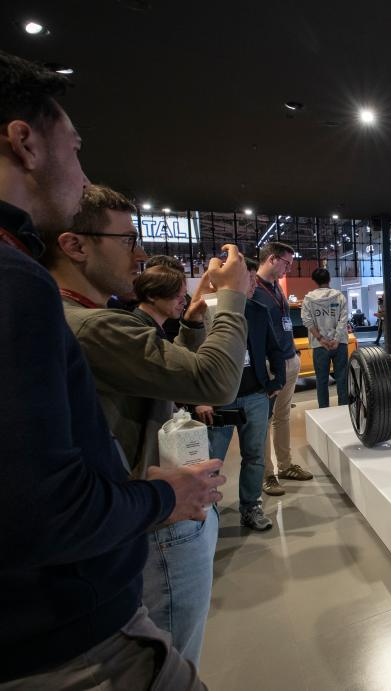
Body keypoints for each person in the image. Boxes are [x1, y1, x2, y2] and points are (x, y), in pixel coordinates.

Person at [0, 49, 221, 689]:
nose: (80, 174)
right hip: (69, 634)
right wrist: (163, 495)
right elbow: (41, 508)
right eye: (74, 150)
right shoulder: (23, 286)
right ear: (25, 143)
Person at [45, 183, 250, 669]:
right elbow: (216, 380)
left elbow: (171, 379)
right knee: (171, 660)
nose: (139, 255)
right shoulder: (93, 326)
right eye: (126, 240)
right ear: (75, 245)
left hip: (145, 514)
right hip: (157, 523)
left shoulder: (76, 317)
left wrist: (194, 320)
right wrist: (233, 297)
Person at [197, 258, 286, 531]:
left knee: (255, 456)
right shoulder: (207, 309)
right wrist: (199, 398)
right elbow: (191, 353)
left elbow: (273, 347)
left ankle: (250, 508)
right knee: (211, 461)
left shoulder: (258, 310)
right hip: (218, 399)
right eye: (247, 279)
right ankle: (206, 516)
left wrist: (277, 381)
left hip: (256, 395)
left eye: (253, 279)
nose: (252, 285)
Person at [252, 241, 313, 496]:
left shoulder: (276, 287)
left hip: (289, 358)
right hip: (268, 365)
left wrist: (293, 352)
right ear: (272, 259)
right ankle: (266, 474)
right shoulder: (253, 288)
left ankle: (285, 466)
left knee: (282, 416)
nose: (289, 269)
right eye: (287, 263)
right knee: (263, 421)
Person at [301, 267, 349, 408]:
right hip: (340, 344)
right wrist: (336, 339)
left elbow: (307, 321)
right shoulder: (339, 297)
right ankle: (343, 408)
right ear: (329, 279)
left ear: (314, 281)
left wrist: (321, 339)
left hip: (319, 346)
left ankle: (323, 410)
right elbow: (343, 320)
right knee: (342, 378)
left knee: (321, 381)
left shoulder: (308, 299)